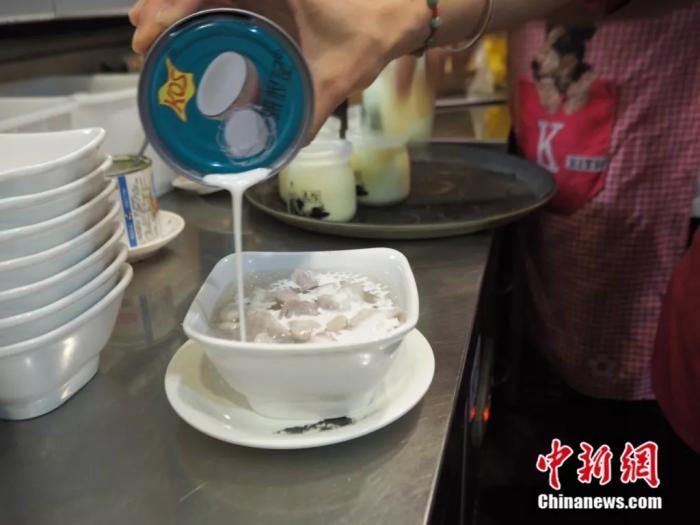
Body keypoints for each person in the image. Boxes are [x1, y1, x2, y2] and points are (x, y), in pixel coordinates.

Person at [130, 0, 700, 511]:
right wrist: (415, 26)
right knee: (558, 307)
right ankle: (563, 462)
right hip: (555, 122)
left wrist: (412, 15)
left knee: (618, 334)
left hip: (640, 131)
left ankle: (614, 476)